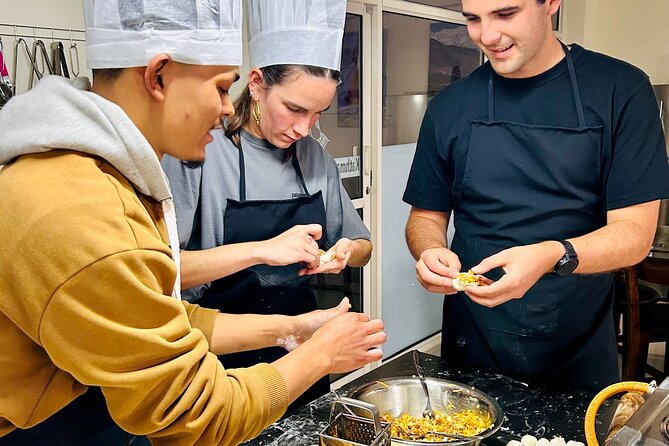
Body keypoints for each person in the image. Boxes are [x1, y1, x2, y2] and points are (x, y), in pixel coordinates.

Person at [0, 1, 386, 445]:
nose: (226, 109)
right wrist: (317, 355)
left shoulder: (96, 176)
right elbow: (198, 416)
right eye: (222, 87)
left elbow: (160, 316)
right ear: (158, 76)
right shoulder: (79, 208)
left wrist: (292, 330)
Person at [403, 0, 669, 392]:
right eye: (473, 19)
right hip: (472, 342)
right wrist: (428, 251)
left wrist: (550, 255)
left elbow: (635, 235)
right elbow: (426, 219)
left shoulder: (620, 90)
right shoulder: (449, 106)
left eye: (505, 14)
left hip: (575, 346)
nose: (487, 36)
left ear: (552, 3)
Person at [161, 0, 372, 410]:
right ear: (256, 84)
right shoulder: (201, 150)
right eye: (293, 109)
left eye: (318, 114)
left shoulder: (315, 158)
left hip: (303, 347)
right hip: (222, 359)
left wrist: (344, 252)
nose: (303, 128)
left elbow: (363, 246)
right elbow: (166, 274)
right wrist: (261, 250)